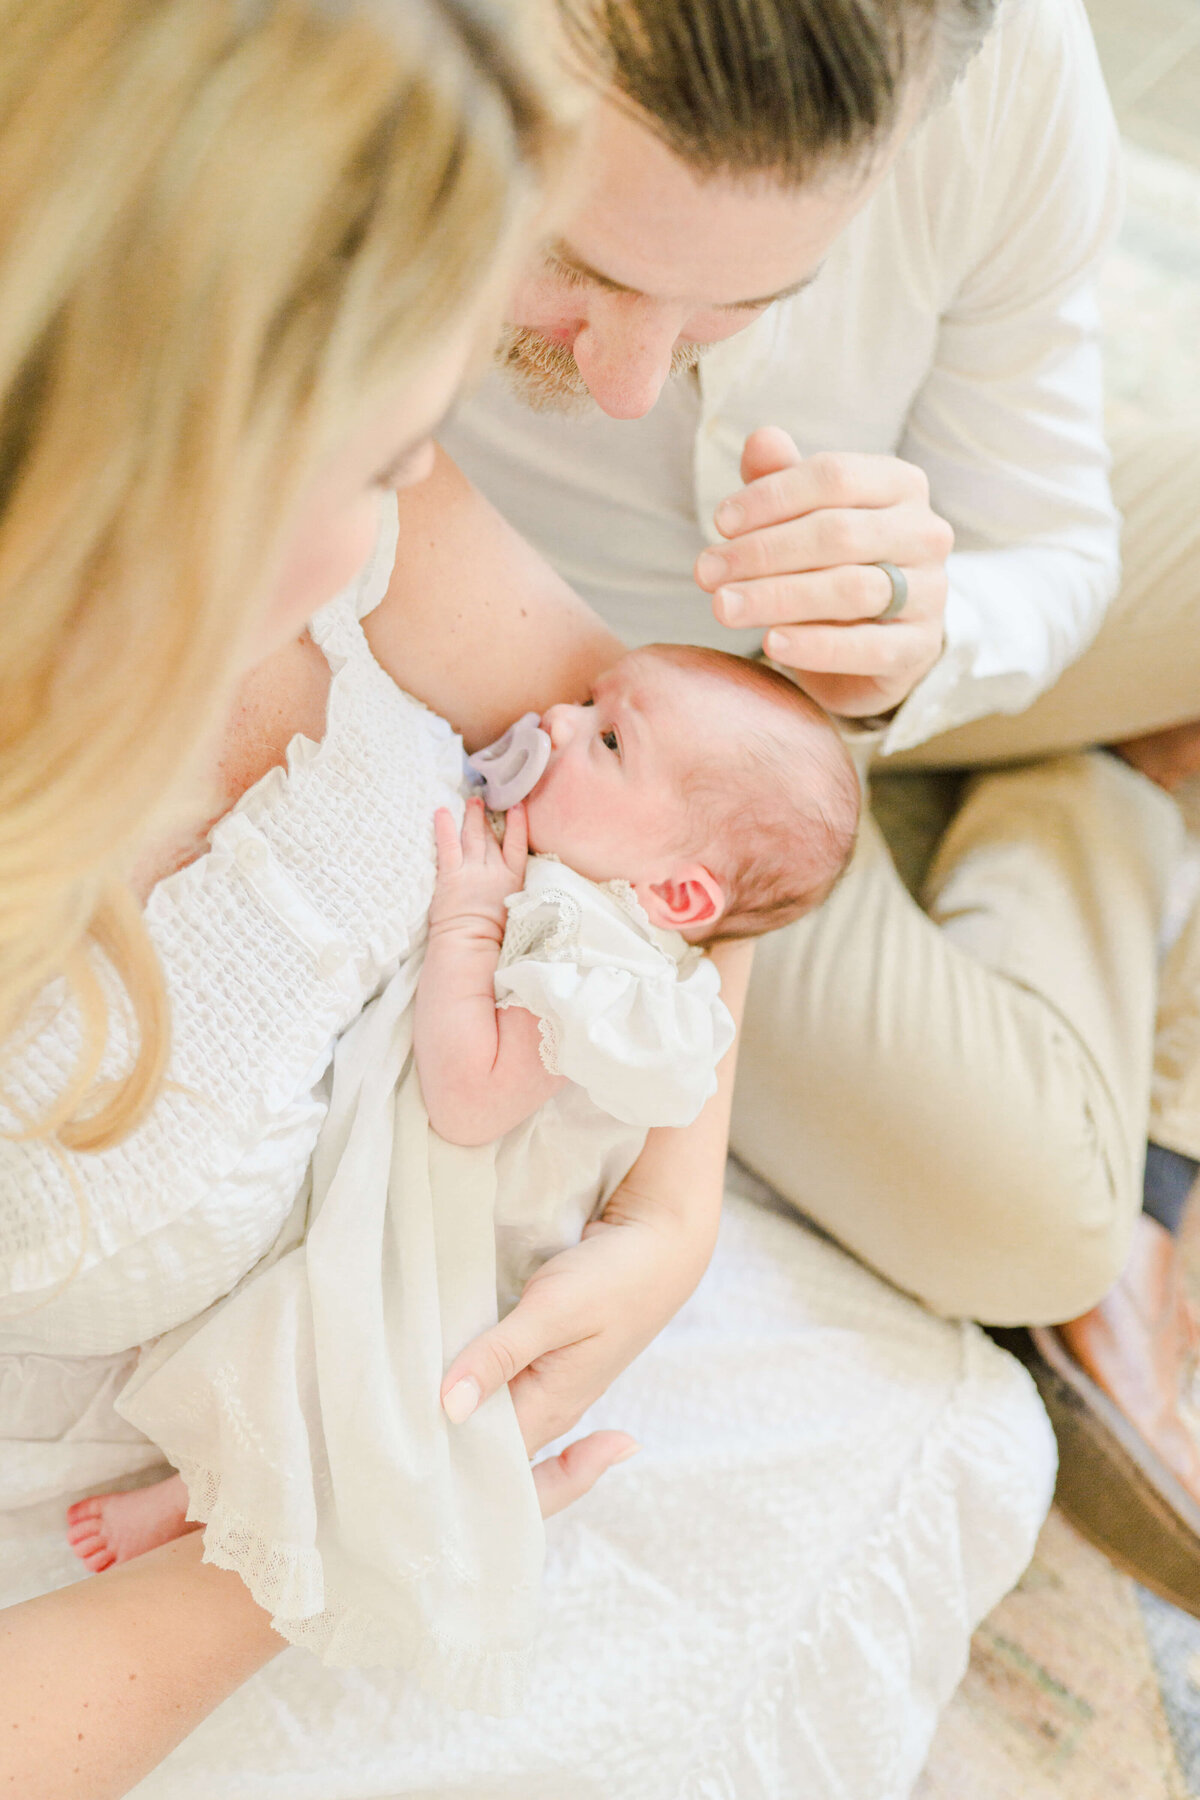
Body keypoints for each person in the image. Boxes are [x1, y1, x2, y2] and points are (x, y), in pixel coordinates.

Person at [0, 2, 1053, 1795]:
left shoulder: (357, 495)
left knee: (972, 1349)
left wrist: (670, 1220)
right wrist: (324, 1536)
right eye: (349, 461)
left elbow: (680, 868)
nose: (383, 535)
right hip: (197, 1550)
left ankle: (1077, 800)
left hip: (800, 706)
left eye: (416, 453)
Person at [428, 0, 1200, 1596]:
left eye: (747, 306)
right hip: (598, 719)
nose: (636, 382)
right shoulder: (356, 72)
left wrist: (932, 645)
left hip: (874, 653)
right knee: (1041, 1213)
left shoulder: (1004, 66)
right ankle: (1104, 795)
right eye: (580, 276)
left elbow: (1043, 527)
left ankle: (1008, 742)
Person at [63, 647, 858, 1715]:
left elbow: (471, 1094)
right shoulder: (594, 889)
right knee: (303, 1332)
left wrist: (466, 923)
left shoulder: (598, 960)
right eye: (590, 705)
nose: (562, 722)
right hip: (428, 1175)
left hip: (456, 1217)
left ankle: (190, 1511)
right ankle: (204, 1498)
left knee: (331, 1351)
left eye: (609, 740)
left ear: (676, 892)